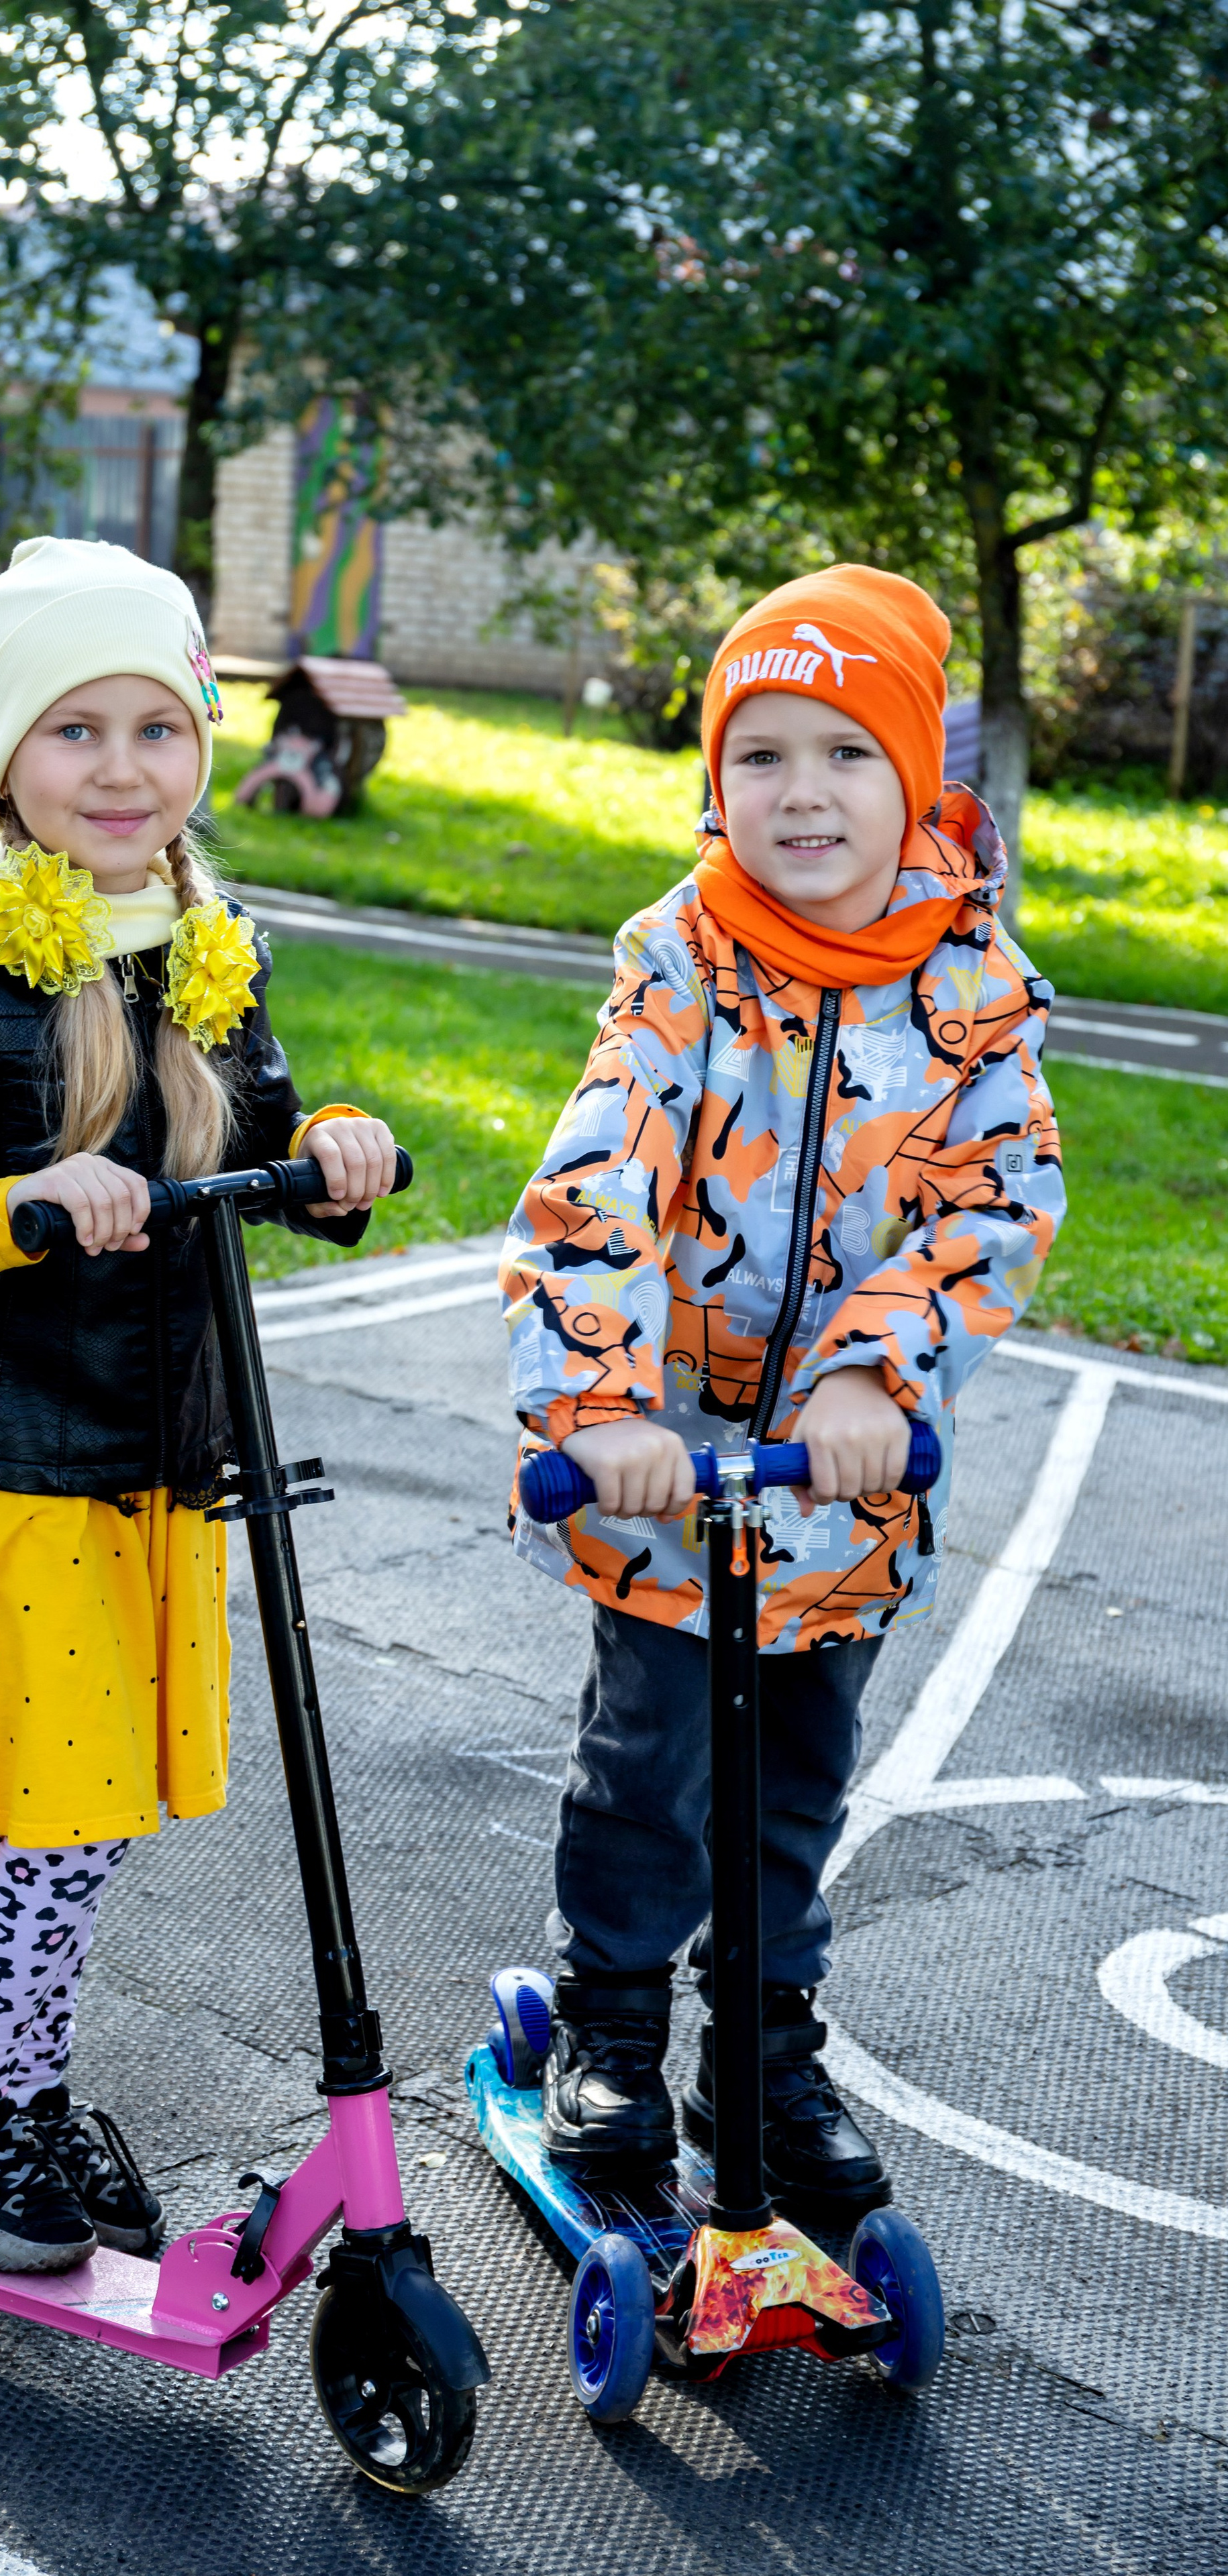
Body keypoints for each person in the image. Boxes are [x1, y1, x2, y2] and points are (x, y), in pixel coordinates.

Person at [0, 537, 399, 2274]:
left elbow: (258, 1147)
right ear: (5, 759)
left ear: (201, 743)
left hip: (162, 1466)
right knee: (54, 1829)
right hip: (17, 1469)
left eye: (156, 727)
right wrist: (10, 1210)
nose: (122, 771)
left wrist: (329, 1157)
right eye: (74, 732)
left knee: (91, 1823)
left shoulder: (209, 952)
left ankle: (11, 2093)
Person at [501, 564, 1064, 2214]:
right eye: (760, 756)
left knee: (795, 1783)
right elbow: (596, 1190)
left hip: (841, 1491)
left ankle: (762, 2048)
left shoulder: (969, 994)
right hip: (668, 1478)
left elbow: (992, 1201)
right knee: (648, 1765)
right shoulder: (678, 963)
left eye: (843, 753)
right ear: (711, 783)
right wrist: (599, 1411)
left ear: (913, 779)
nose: (800, 793)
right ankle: (606, 2026)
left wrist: (876, 1373)